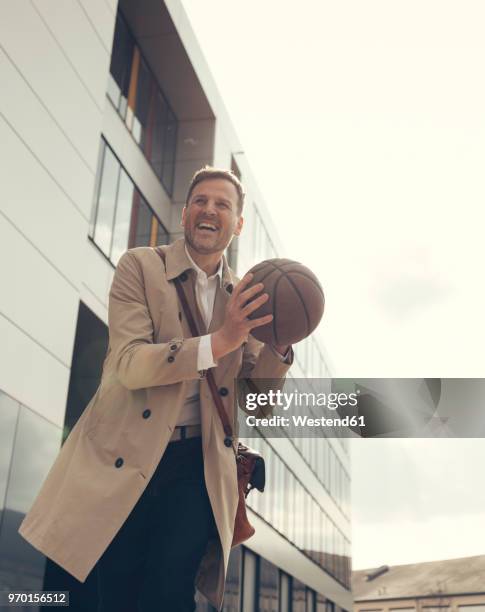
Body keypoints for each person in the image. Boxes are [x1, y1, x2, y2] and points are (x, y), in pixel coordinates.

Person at [19, 167, 293, 611]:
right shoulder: (140, 266)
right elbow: (129, 365)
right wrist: (222, 340)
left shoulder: (244, 296)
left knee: (166, 599)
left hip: (195, 468)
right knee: (99, 593)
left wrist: (279, 345)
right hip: (121, 454)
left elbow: (258, 406)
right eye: (201, 201)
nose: (209, 210)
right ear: (186, 213)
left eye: (223, 204)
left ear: (238, 224)